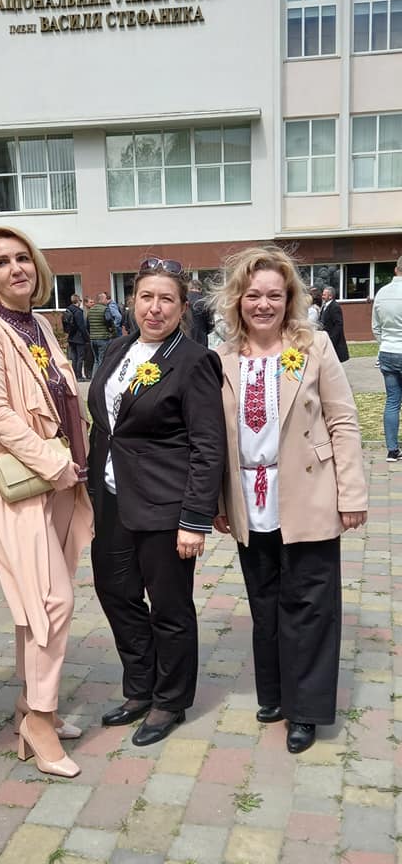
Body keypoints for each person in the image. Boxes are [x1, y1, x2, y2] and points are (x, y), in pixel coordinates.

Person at [211, 246, 367, 754]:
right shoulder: (221, 358)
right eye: (253, 295)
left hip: (309, 492)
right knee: (265, 602)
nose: (264, 304)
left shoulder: (314, 346)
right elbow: (212, 436)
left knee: (310, 604)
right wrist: (216, 501)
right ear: (238, 300)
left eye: (274, 295)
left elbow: (343, 420)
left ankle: (307, 710)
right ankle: (275, 694)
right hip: (249, 497)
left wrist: (351, 492)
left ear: (289, 298)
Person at [0, 225, 93, 779]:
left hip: (62, 483)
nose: (15, 268)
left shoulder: (39, 323)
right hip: (25, 484)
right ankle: (39, 720)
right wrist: (53, 463)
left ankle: (27, 704)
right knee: (51, 602)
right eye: (1, 262)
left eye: (22, 258)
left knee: (35, 606)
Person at [88, 258, 226, 746]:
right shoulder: (118, 349)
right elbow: (106, 424)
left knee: (169, 606)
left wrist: (195, 518)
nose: (155, 307)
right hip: (111, 499)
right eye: (146, 296)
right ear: (132, 301)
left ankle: (170, 700)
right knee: (115, 592)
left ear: (183, 307)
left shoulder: (193, 361)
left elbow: (208, 445)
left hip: (165, 506)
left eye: (167, 299)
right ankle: (140, 687)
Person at [372, 255, 402, 462]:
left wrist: (384, 342)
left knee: (392, 401)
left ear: (395, 269)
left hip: (388, 350)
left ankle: (392, 450)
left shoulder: (382, 293)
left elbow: (376, 326)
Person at [63, 293, 90, 381]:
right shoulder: (78, 312)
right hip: (79, 337)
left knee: (74, 358)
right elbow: (81, 326)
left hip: (71, 337)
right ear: (78, 301)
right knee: (80, 357)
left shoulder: (68, 310)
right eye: (80, 301)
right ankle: (79, 376)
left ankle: (74, 375)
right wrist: (87, 338)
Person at [320, 286, 349, 362]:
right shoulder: (325, 306)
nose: (322, 297)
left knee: (333, 361)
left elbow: (338, 324)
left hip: (333, 339)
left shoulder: (335, 307)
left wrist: (332, 338)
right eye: (322, 294)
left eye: (324, 295)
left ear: (330, 296)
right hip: (325, 337)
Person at [88, 292, 112, 370]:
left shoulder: (90, 310)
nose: (107, 300)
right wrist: (111, 330)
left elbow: (87, 324)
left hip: (93, 338)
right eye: (106, 298)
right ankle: (101, 377)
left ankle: (94, 376)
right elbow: (109, 321)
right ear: (102, 299)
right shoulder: (105, 309)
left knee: (96, 360)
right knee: (102, 360)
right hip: (103, 338)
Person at [187, 278, 212, 346]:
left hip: (185, 338)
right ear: (200, 289)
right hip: (201, 339)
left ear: (189, 288)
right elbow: (211, 324)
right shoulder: (205, 301)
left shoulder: (183, 300)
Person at [83, 297, 95, 379]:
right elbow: (85, 326)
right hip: (87, 337)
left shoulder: (92, 312)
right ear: (86, 303)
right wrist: (87, 336)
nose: (93, 303)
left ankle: (90, 372)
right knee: (88, 357)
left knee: (91, 356)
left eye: (93, 302)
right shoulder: (84, 313)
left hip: (91, 336)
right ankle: (88, 373)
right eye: (91, 302)